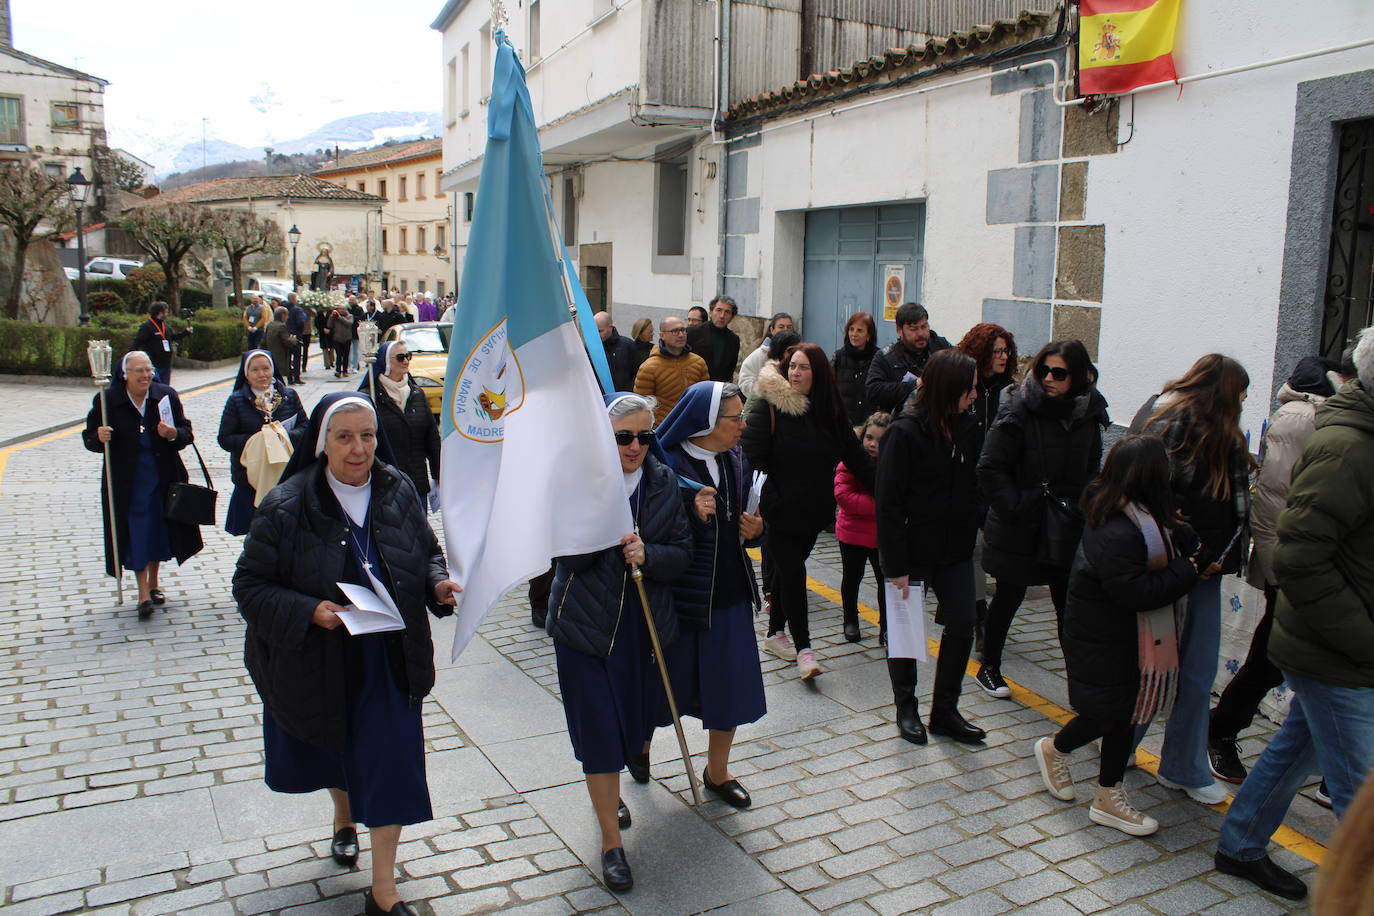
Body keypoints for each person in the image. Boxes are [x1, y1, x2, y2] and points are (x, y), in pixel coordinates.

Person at [233, 392, 461, 916]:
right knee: (334, 746)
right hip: (323, 658)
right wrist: (311, 610)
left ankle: (383, 890)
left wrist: (437, 585)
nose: (359, 449)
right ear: (321, 442)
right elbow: (249, 586)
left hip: (389, 658)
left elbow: (424, 552)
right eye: (344, 437)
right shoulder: (287, 505)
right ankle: (342, 817)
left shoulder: (397, 486)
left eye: (367, 435)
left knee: (391, 765)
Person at [1213, 328, 1374, 901]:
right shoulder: (1345, 443)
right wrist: (1363, 637)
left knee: (1293, 749)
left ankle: (1239, 844)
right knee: (1363, 796)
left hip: (1336, 644)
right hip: (1335, 650)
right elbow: (1297, 545)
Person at [546, 393, 692, 893]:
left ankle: (614, 786)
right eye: (623, 437)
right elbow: (565, 557)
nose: (635, 447)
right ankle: (611, 842)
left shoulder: (663, 480)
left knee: (632, 726)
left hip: (643, 628)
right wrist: (606, 532)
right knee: (600, 736)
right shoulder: (579, 482)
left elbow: (681, 555)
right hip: (586, 630)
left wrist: (649, 554)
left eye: (645, 436)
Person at [1033, 435, 1202, 836]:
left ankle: (1108, 796)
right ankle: (1054, 749)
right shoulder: (1118, 528)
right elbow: (1136, 592)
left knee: (1127, 713)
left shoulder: (1139, 515)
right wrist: (1189, 570)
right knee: (1106, 715)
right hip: (1103, 638)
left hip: (1126, 638)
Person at [1208, 355, 1347, 784]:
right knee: (1272, 656)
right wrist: (1281, 567)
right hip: (1296, 564)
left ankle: (1329, 771)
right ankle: (1221, 729)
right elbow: (1279, 501)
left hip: (1314, 563)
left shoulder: (1321, 416)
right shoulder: (1303, 418)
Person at [1129, 353, 1253, 806]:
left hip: (1187, 565)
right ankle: (1179, 766)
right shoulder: (1186, 423)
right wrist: (1201, 556)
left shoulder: (1163, 411)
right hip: (1188, 568)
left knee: (1159, 664)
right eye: (1240, 394)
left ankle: (1132, 749)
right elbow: (1163, 501)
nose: (1243, 402)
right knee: (1186, 670)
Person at [655, 381, 767, 808]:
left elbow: (749, 520)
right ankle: (639, 751)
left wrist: (758, 532)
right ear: (705, 421)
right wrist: (685, 507)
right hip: (680, 596)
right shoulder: (663, 462)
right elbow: (646, 522)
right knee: (661, 687)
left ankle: (717, 771)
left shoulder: (737, 458)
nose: (742, 425)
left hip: (729, 590)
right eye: (734, 418)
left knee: (729, 686)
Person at [975, 340, 1108, 699]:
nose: (1049, 378)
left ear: (1077, 377)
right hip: (1022, 523)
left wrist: (1084, 507)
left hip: (1067, 523)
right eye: (1044, 370)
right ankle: (989, 666)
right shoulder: (1019, 408)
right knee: (1009, 595)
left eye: (1059, 373)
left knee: (1070, 605)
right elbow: (990, 467)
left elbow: (1092, 470)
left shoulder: (1089, 413)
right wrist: (1016, 506)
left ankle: (1080, 684)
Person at [742, 342, 872, 679]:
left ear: (819, 375)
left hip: (814, 512)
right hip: (779, 509)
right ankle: (804, 649)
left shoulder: (830, 413)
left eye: (804, 368)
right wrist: (747, 510)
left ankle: (774, 633)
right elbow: (749, 461)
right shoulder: (769, 408)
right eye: (792, 366)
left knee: (789, 572)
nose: (796, 373)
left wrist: (889, 493)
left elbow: (857, 459)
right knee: (795, 575)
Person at [876, 350, 986, 744]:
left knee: (962, 621)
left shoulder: (968, 427)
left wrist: (974, 521)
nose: (974, 396)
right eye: (969, 389)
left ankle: (945, 710)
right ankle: (906, 708)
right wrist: (896, 565)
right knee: (906, 631)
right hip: (911, 551)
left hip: (955, 549)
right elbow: (888, 505)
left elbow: (972, 482)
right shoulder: (903, 433)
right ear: (949, 388)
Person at [82, 351, 203, 620]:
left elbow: (186, 433)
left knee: (159, 528)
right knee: (137, 530)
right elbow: (89, 438)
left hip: (162, 475)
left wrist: (172, 434)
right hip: (128, 479)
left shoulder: (165, 395)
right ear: (125, 374)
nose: (145, 375)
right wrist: (97, 437)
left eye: (148, 370)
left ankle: (154, 582)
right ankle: (142, 593)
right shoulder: (108, 400)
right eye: (139, 370)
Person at [957, 322, 1018, 654]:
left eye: (1006, 350)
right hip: (968, 479)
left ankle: (985, 616)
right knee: (974, 550)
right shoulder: (968, 386)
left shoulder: (1012, 391)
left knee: (987, 550)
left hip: (997, 481)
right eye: (997, 350)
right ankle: (980, 616)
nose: (1003, 356)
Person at [217, 350, 305, 537]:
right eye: (255, 369)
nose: (261, 374)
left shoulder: (289, 396)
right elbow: (224, 438)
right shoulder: (237, 400)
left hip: (285, 475)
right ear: (246, 374)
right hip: (251, 477)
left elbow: (305, 426)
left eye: (266, 368)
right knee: (255, 535)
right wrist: (258, 440)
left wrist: (284, 436)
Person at [361, 341, 440, 505]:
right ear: (386, 362)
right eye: (400, 357)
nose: (406, 361)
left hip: (416, 483)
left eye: (408, 356)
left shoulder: (417, 393)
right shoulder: (370, 397)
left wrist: (438, 474)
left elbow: (432, 438)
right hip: (384, 486)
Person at [835, 411, 890, 643]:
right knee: (851, 578)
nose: (873, 444)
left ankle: (887, 626)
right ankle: (850, 620)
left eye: (879, 440)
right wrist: (880, 506)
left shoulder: (893, 463)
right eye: (869, 437)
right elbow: (843, 495)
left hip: (881, 537)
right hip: (852, 532)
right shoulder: (851, 459)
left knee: (885, 583)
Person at [864, 302, 951, 413]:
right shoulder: (886, 357)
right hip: (901, 422)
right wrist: (916, 384)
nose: (920, 333)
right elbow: (873, 392)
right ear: (899, 330)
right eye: (913, 329)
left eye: (924, 326)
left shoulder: (941, 347)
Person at [633, 315, 710, 424]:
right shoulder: (649, 367)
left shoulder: (698, 362)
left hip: (693, 427)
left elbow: (705, 398)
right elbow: (642, 405)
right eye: (675, 331)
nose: (681, 335)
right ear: (662, 335)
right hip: (663, 429)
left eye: (683, 330)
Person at [832, 312, 879, 427]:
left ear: (869, 335)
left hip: (869, 424)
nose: (854, 334)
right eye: (851, 329)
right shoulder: (838, 357)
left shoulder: (878, 357)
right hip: (843, 423)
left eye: (859, 330)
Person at [132, 301, 192, 385]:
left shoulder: (165, 326)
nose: (167, 314)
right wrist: (131, 357)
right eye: (166, 312)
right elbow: (137, 342)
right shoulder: (147, 326)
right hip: (153, 364)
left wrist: (186, 332)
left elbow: (172, 337)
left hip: (166, 363)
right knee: (155, 387)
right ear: (160, 312)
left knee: (164, 388)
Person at [738, 313, 794, 399]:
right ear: (772, 330)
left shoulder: (797, 353)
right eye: (781, 327)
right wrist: (765, 393)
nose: (785, 330)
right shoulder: (760, 354)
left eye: (789, 327)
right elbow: (745, 382)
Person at [686, 295, 741, 383]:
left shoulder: (733, 340)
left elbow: (729, 372)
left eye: (727, 312)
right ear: (711, 312)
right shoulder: (693, 333)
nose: (722, 316)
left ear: (732, 317)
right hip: (694, 385)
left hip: (718, 390)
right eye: (718, 310)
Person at [596, 311, 639, 392]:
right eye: (594, 331)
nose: (597, 335)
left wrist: (628, 392)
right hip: (599, 397)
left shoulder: (627, 345)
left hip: (624, 397)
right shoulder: (590, 348)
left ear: (610, 327)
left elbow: (638, 373)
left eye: (600, 331)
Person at [264, 306, 296, 383]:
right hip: (281, 356)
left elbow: (264, 340)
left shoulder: (270, 325)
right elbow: (286, 342)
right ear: (283, 315)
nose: (287, 317)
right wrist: (293, 340)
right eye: (287, 315)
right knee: (280, 378)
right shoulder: (282, 326)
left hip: (270, 354)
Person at [286, 294, 311, 384]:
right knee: (297, 357)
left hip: (285, 335)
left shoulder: (284, 308)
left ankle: (289, 378)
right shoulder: (297, 309)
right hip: (296, 336)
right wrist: (300, 331)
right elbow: (300, 322)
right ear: (293, 299)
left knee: (288, 357)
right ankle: (296, 377)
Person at [328, 303, 355, 378]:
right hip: (337, 339)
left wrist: (340, 317)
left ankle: (345, 370)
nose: (341, 310)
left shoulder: (350, 316)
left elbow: (349, 323)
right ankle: (338, 370)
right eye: (340, 309)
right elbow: (329, 325)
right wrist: (332, 316)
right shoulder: (334, 317)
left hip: (347, 339)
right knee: (339, 355)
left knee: (346, 355)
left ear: (346, 309)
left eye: (343, 309)